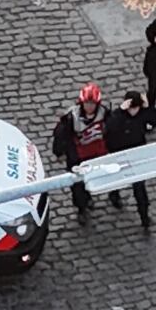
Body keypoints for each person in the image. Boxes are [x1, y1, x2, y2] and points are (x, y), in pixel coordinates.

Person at [104, 92, 156, 228]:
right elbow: (109, 127)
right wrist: (120, 110)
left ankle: (144, 216)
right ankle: (114, 195)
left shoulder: (143, 113)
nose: (133, 111)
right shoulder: (117, 115)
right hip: (118, 154)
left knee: (139, 188)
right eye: (131, 107)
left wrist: (148, 107)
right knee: (117, 179)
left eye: (136, 107)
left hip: (137, 155)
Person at [50, 82, 110, 214]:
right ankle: (81, 207)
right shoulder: (72, 117)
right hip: (77, 156)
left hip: (97, 153)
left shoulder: (104, 113)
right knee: (77, 185)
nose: (90, 107)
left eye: (92, 104)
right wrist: (59, 153)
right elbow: (61, 135)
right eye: (87, 103)